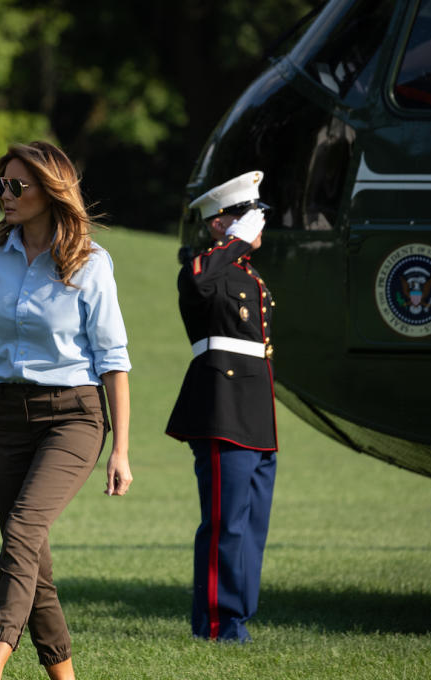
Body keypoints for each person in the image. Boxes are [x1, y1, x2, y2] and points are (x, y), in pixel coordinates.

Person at [0, 141, 132, 680]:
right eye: (2, 183)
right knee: (34, 560)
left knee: (21, 533)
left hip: (75, 417)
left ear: (51, 190)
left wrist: (121, 449)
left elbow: (113, 361)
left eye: (18, 185)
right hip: (8, 418)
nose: (6, 194)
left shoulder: (90, 263)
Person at [165, 170, 277, 644]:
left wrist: (236, 246)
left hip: (253, 410)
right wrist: (232, 242)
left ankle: (238, 619)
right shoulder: (202, 267)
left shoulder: (247, 274)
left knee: (252, 524)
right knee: (225, 522)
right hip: (221, 407)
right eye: (244, 216)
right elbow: (199, 280)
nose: (256, 225)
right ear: (219, 225)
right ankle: (216, 623)